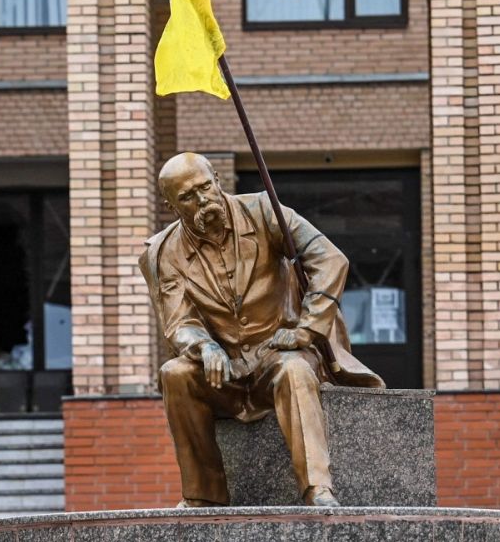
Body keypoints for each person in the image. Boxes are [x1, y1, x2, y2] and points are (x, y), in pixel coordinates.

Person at [140, 152, 383, 508]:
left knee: (295, 370)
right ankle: (203, 494)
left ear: (218, 179)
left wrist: (307, 329)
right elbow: (178, 322)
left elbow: (330, 259)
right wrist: (204, 347)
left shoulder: (265, 211)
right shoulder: (161, 253)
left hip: (278, 352)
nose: (203, 200)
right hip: (224, 369)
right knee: (173, 373)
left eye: (205, 187)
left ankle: (318, 489)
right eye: (188, 197)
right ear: (171, 205)